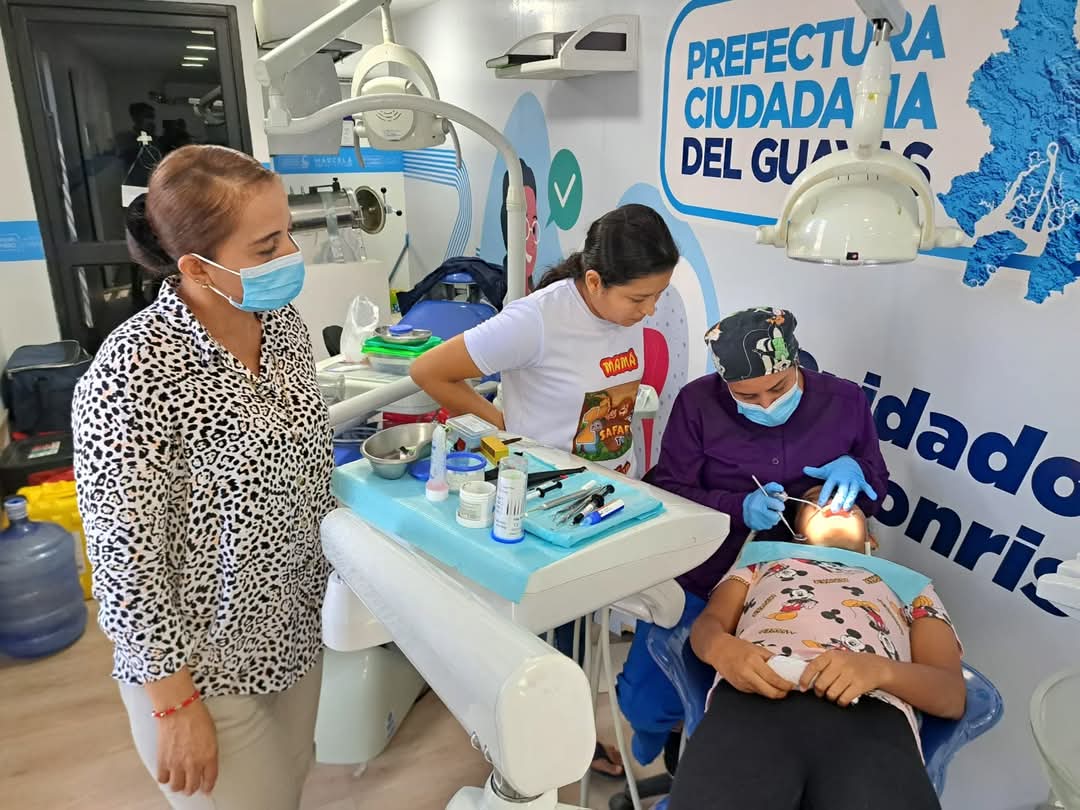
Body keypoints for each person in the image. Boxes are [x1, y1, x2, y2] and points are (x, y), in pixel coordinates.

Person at [72, 144, 334, 810]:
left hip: (293, 634)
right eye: (267, 245)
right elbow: (122, 561)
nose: (290, 255)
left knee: (289, 789)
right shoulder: (132, 373)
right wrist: (173, 704)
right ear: (195, 266)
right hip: (201, 670)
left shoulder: (283, 329)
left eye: (288, 233)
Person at [411, 202, 680, 777]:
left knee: (580, 637)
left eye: (658, 296)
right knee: (544, 648)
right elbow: (430, 371)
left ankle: (566, 745)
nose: (649, 311)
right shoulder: (535, 320)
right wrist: (504, 433)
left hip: (606, 499)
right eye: (639, 299)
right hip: (546, 505)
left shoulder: (621, 312)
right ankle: (532, 760)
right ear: (594, 281)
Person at [617, 307, 890, 766]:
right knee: (649, 700)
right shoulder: (697, 403)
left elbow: (875, 485)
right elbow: (670, 489)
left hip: (797, 582)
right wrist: (737, 507)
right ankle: (657, 730)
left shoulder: (845, 402)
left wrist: (858, 470)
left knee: (745, 712)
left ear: (796, 362)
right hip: (708, 568)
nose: (765, 403)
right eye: (746, 395)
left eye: (778, 389)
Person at [667, 489, 965, 810]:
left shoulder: (912, 587)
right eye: (817, 499)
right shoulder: (761, 562)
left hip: (874, 715)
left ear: (872, 540)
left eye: (849, 502)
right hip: (755, 696)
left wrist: (881, 671)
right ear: (798, 534)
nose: (834, 501)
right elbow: (708, 625)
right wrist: (721, 649)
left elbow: (950, 695)